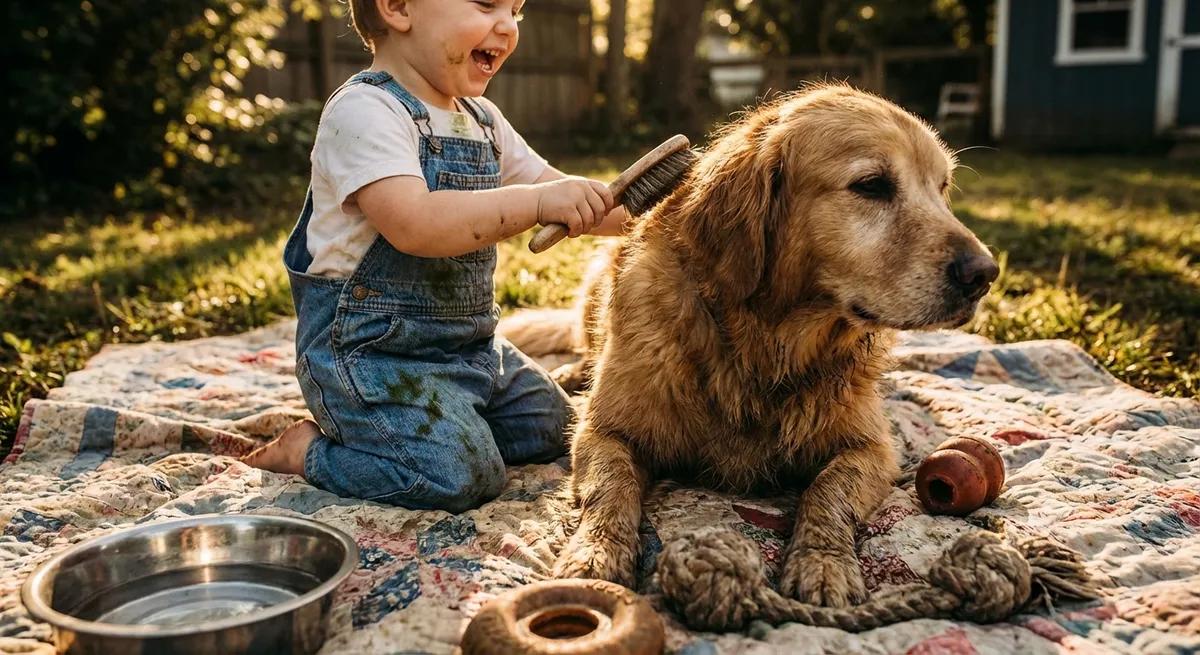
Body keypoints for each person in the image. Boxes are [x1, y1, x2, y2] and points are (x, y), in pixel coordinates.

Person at [240, 0, 628, 513]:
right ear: (399, 7)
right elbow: (415, 224)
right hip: (371, 355)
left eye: (516, 10)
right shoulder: (364, 110)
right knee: (461, 476)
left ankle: (442, 420)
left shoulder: (484, 120)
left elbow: (562, 193)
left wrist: (653, 209)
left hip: (469, 348)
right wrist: (534, 204)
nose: (508, 26)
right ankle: (309, 452)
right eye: (488, 4)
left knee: (556, 427)